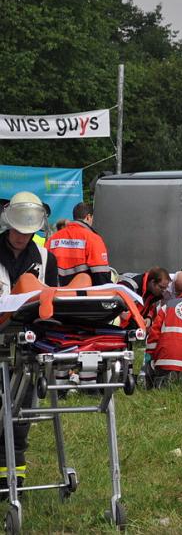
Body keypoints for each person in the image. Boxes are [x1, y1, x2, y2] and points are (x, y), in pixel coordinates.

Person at [0, 191, 58, 492]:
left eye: (28, 231)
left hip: (26, 345)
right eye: (17, 230)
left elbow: (53, 303)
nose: (21, 236)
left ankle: (14, 477)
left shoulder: (46, 258)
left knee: (21, 412)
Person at [47, 201, 111, 286]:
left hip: (56, 295)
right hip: (82, 296)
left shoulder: (52, 239)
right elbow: (101, 276)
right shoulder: (93, 238)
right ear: (88, 217)